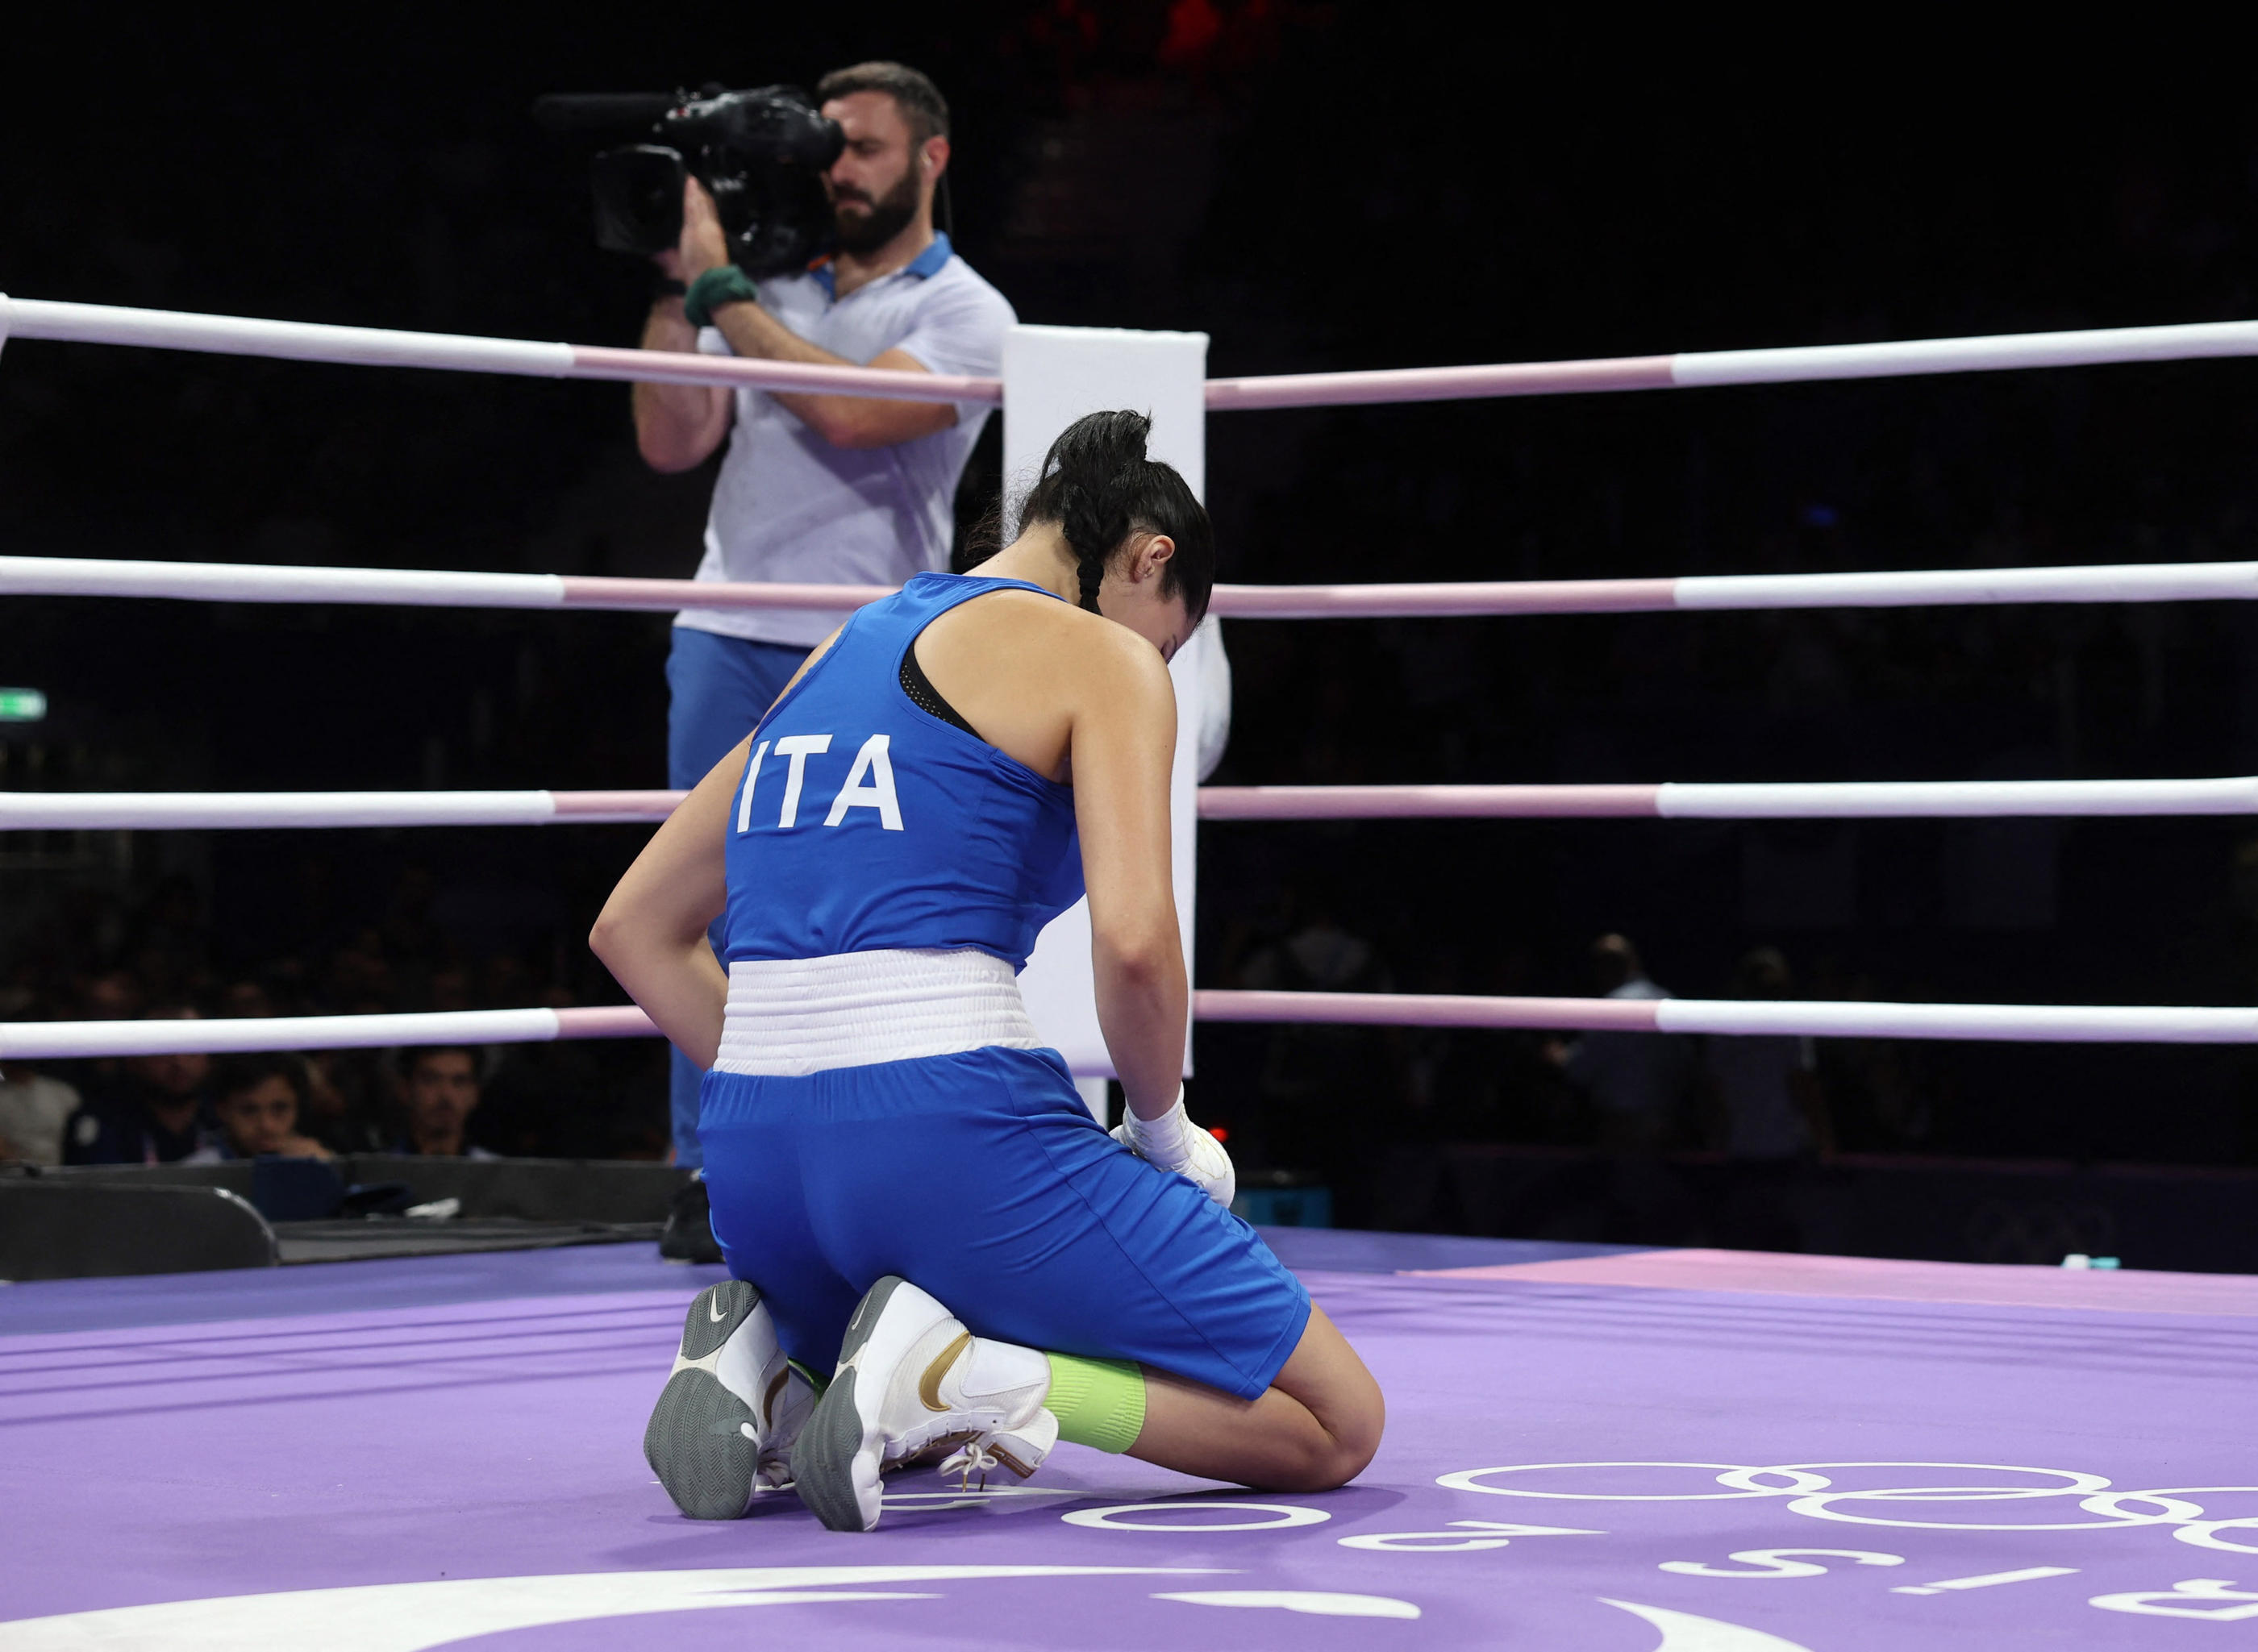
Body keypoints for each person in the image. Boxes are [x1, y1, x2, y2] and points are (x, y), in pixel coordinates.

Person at [592, 411, 1383, 1532]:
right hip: (947, 1134)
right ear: (1152, 559)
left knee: (885, 1390)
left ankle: (778, 1368)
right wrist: (1166, 1131)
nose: (1155, 663)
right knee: (1331, 1422)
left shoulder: (839, 649)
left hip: (757, 1176)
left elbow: (631, 927)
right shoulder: (1102, 655)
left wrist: (810, 1083)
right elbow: (1137, 945)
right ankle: (979, 1376)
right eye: (1169, 641)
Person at [631, 60, 1016, 1171]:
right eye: (827, 145)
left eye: (866, 147)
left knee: (852, 918)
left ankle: (850, 1163)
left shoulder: (964, 307)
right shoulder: (770, 290)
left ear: (932, 158)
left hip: (869, 655)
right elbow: (669, 442)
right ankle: (710, 1169)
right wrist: (675, 281)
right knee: (697, 913)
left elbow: (856, 411)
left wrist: (723, 297)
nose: (837, 169)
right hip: (724, 632)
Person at [62, 1007, 220, 1165]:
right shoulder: (102, 1121)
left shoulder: (225, 1116)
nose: (179, 1062)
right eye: (163, 1050)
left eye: (191, 1049)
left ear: (210, 1058)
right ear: (133, 1059)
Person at [198, 1054, 332, 1162]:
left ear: (298, 1107)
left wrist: (329, 1171)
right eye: (249, 1110)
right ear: (223, 1111)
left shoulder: (320, 1161)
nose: (266, 1125)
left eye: (280, 1109)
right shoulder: (196, 1173)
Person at [394, 1046, 495, 1159]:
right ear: (405, 1089)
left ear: (476, 1093)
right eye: (431, 1080)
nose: (446, 1095)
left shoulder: (501, 1173)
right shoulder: (378, 1171)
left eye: (459, 1081)